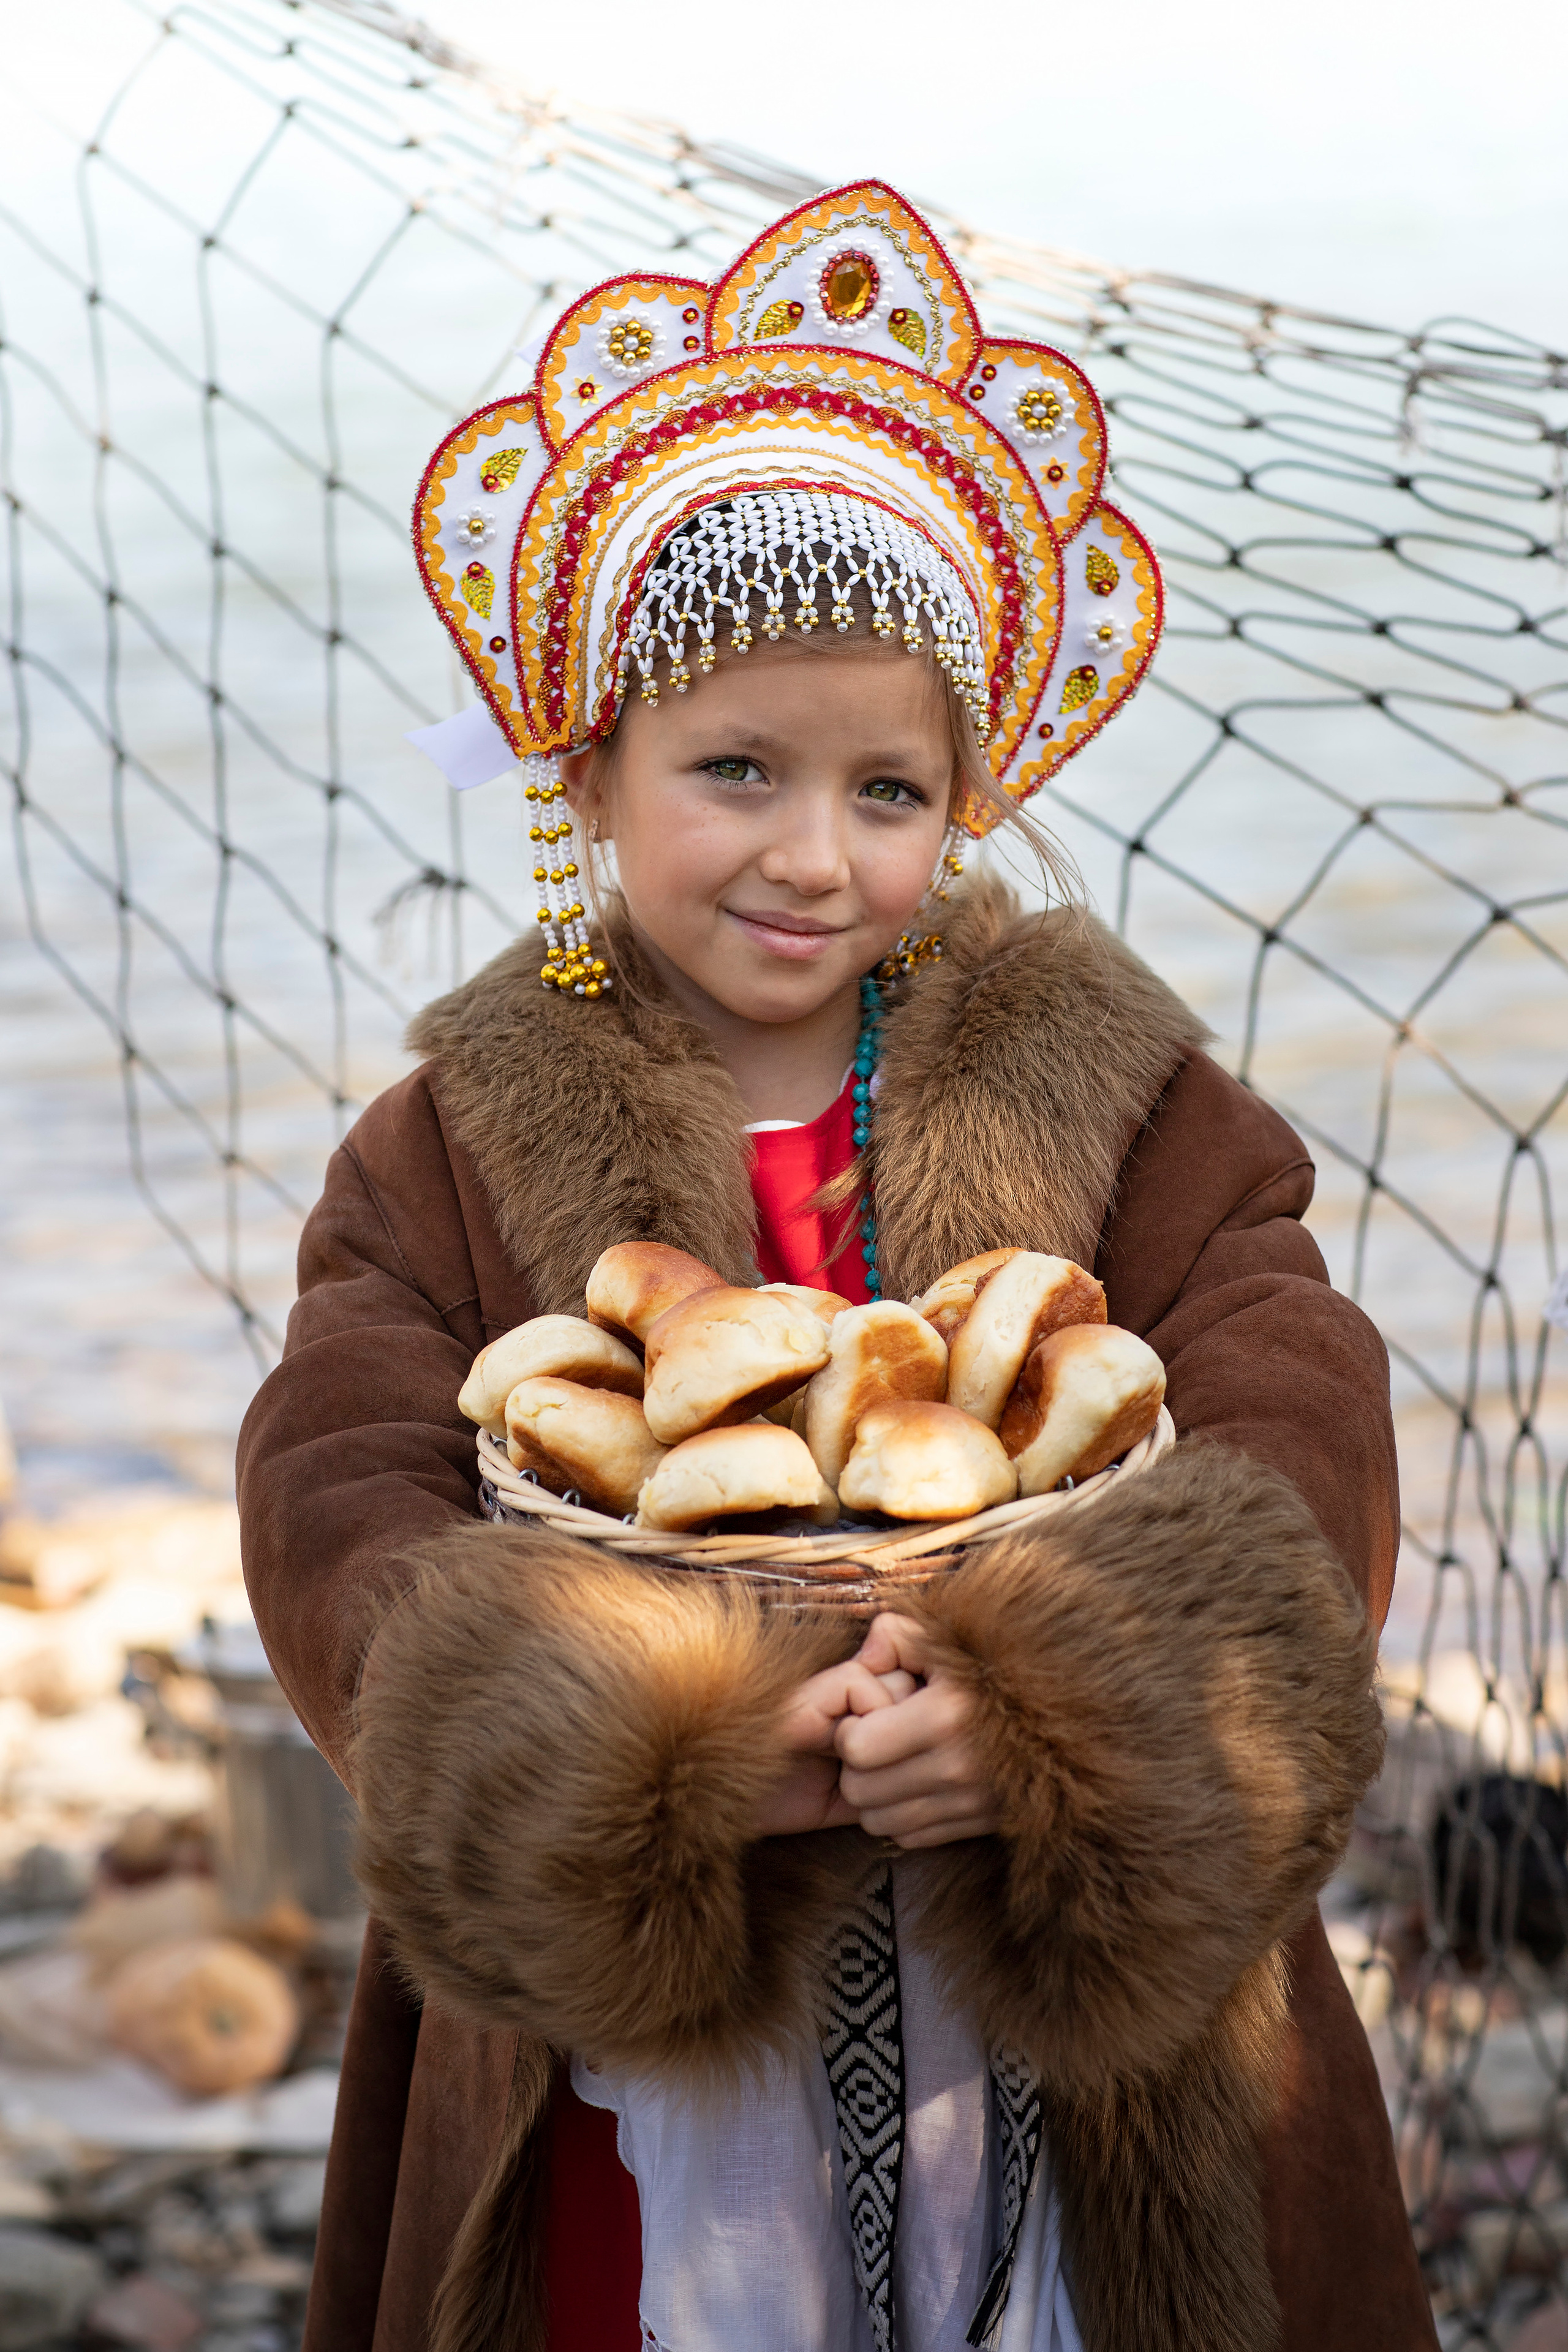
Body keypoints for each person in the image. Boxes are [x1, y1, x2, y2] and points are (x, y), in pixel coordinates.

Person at [236, 182, 1436, 2352]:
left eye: (889, 786)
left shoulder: (1123, 1099)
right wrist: (636, 1742)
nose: (815, 853)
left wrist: (1062, 1713)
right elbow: (336, 1487)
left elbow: (1291, 1381)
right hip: (645, 2034)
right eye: (734, 770)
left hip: (1067, 2002)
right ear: (588, 766)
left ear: (966, 796)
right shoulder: (445, 1147)